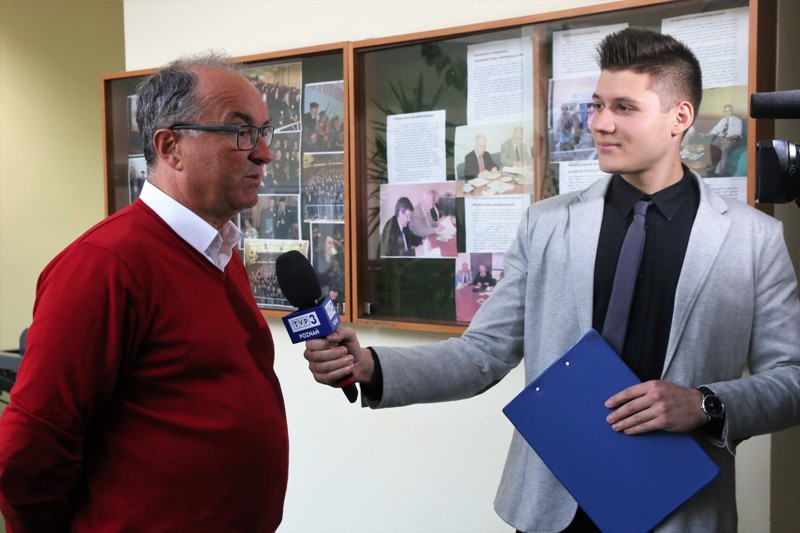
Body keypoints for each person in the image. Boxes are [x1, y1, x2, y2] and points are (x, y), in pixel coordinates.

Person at [303, 28, 800, 532]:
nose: (599, 123)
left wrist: (705, 404)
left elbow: (792, 378)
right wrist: (370, 365)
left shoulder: (753, 239)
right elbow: (482, 353)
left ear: (680, 117)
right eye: (597, 105)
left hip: (680, 512)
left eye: (624, 108)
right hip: (553, 510)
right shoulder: (545, 224)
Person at [0, 53, 289, 531]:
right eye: (241, 132)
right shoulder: (104, 265)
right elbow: (30, 449)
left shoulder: (219, 251)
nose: (264, 153)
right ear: (170, 146)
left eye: (263, 132)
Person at [707, 104, 743, 176]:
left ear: (732, 111)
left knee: (722, 151)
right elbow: (714, 130)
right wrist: (705, 134)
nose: (727, 112)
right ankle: (711, 167)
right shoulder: (722, 120)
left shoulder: (738, 121)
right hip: (720, 138)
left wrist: (729, 138)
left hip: (731, 140)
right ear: (724, 112)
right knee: (711, 148)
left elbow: (738, 134)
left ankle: (718, 173)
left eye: (729, 110)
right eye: (726, 111)